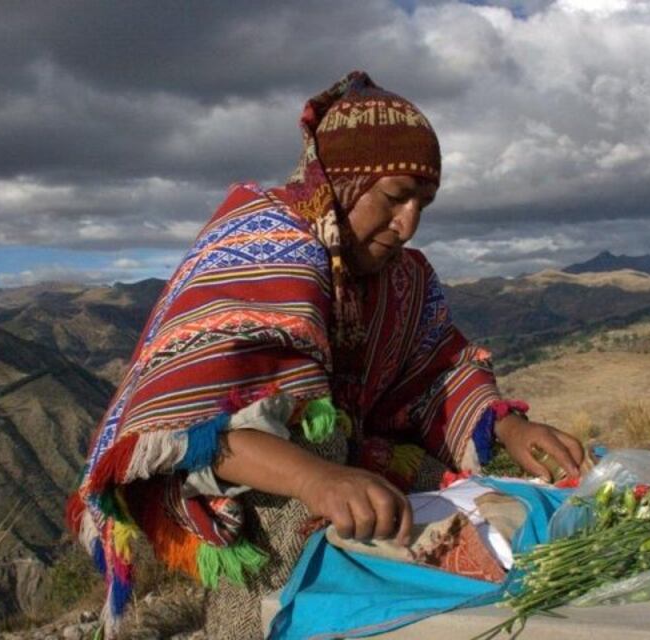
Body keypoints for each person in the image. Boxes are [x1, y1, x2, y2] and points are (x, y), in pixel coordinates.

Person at [66, 71, 584, 639]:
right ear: (344, 179)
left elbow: (439, 372)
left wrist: (508, 428)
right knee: (309, 476)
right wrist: (319, 480)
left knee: (505, 491)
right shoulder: (265, 245)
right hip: (274, 496)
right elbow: (191, 424)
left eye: (423, 204)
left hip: (355, 467)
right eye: (394, 197)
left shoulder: (401, 278)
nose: (407, 224)